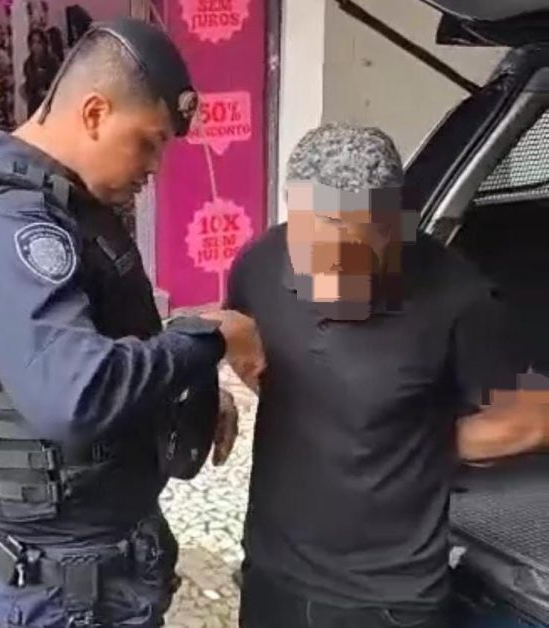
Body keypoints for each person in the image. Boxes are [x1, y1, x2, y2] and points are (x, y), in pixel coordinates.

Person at [0, 18, 263, 627]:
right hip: (64, 592)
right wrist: (207, 338)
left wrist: (180, 393)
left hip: (102, 568)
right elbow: (74, 392)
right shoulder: (11, 226)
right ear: (95, 112)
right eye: (149, 142)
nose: (154, 166)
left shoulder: (65, 205)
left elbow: (105, 338)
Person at [227, 123, 548, 628]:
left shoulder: (459, 296)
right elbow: (249, 348)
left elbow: (532, 419)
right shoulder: (259, 265)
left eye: (352, 258)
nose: (331, 277)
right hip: (273, 573)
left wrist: (410, 443)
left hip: (388, 600)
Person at [22, 28, 60, 118]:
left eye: (39, 42)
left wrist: (48, 92)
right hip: (34, 106)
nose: (36, 46)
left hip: (49, 105)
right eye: (33, 42)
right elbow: (28, 84)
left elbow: (58, 82)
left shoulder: (52, 61)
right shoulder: (28, 64)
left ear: (44, 44)